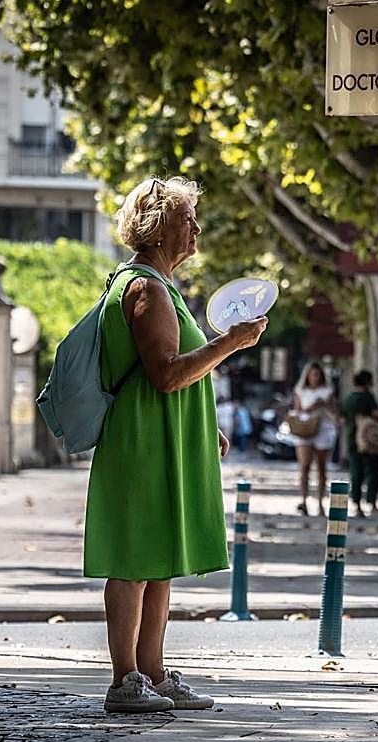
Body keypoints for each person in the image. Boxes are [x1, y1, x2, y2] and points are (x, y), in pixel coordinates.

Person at [84, 176, 267, 713]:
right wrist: (229, 343)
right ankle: (125, 681)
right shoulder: (146, 288)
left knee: (158, 560)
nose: (196, 228)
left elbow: (167, 377)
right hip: (139, 441)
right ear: (161, 227)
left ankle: (154, 674)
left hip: (162, 436)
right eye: (187, 219)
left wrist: (200, 425)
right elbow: (164, 374)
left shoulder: (157, 284)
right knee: (133, 560)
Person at [290, 361, 338, 516]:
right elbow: (297, 410)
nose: (314, 377)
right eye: (312, 374)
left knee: (321, 468)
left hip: (323, 428)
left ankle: (320, 502)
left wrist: (323, 404)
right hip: (305, 428)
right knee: (304, 466)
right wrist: (309, 408)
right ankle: (303, 500)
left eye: (317, 374)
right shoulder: (300, 390)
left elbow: (334, 411)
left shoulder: (327, 391)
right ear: (307, 375)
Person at [340, 370, 378, 517]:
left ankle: (356, 503)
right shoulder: (368, 397)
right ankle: (372, 502)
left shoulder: (349, 398)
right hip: (369, 440)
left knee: (356, 471)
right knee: (373, 471)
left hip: (352, 438)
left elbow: (342, 419)